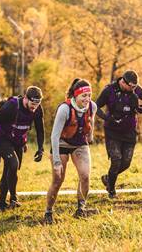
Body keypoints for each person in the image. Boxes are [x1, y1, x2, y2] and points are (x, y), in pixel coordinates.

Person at [44, 78, 97, 224]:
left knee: (85, 176)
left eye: (89, 95)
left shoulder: (92, 106)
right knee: (58, 180)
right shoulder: (65, 109)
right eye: (83, 96)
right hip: (61, 143)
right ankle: (48, 211)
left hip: (79, 143)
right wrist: (56, 162)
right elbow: (54, 136)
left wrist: (91, 136)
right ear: (75, 95)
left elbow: (91, 120)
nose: (87, 99)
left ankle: (81, 208)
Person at [0, 86, 45, 211]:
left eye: (37, 104)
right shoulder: (11, 106)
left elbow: (40, 130)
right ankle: (13, 197)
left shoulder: (38, 109)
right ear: (26, 98)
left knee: (12, 169)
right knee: (13, 164)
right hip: (3, 139)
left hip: (18, 141)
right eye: (32, 104)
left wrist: (40, 148)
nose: (34, 107)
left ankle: (3, 202)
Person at [96, 70, 142, 198]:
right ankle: (111, 190)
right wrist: (106, 117)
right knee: (116, 159)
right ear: (123, 81)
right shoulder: (109, 90)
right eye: (131, 86)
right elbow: (95, 106)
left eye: (135, 86)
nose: (134, 89)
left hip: (129, 132)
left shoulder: (135, 89)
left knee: (126, 163)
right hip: (112, 131)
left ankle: (108, 178)